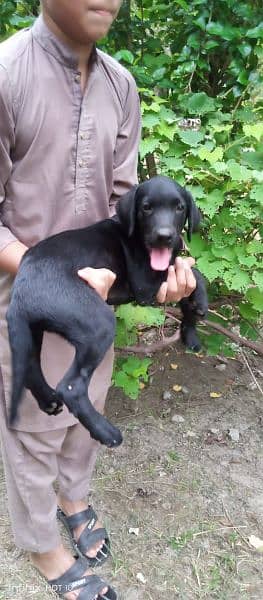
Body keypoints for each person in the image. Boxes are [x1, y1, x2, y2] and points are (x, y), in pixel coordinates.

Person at [0, 1, 196, 598]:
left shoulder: (121, 83)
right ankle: (44, 549)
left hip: (100, 292)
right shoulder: (8, 73)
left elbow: (125, 197)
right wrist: (56, 277)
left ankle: (74, 496)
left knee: (89, 398)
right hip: (26, 288)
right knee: (32, 425)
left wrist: (167, 262)